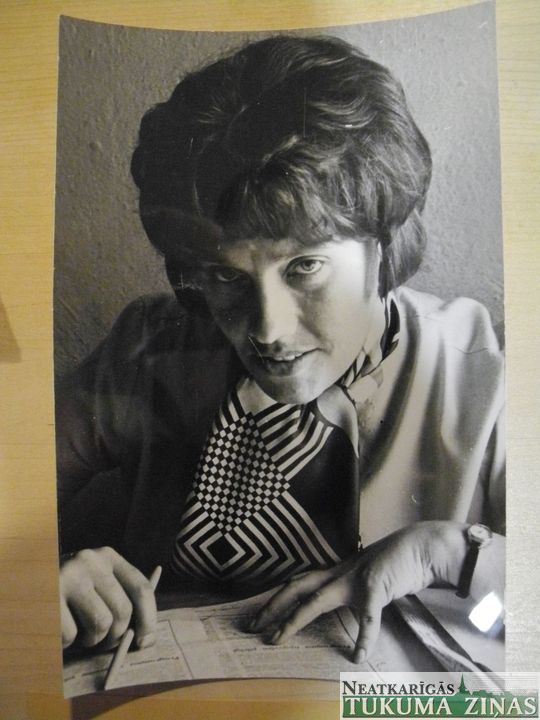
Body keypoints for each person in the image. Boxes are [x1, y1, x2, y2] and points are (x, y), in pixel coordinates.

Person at [56, 35, 505, 662]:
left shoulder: (478, 375)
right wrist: (38, 573)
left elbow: (514, 619)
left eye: (305, 267)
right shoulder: (147, 349)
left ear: (384, 244)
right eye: (225, 276)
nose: (267, 329)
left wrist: (451, 554)